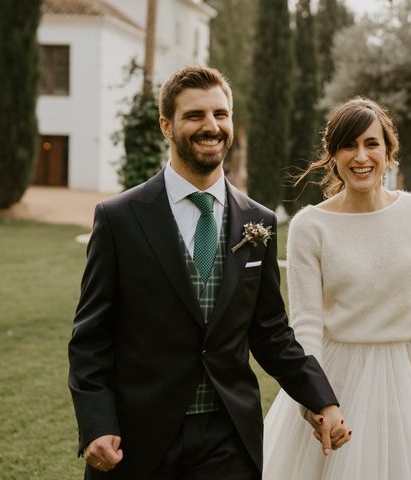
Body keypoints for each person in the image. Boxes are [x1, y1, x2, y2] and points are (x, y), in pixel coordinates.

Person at [68, 66, 349, 480]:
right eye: (195, 115)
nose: (211, 126)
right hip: (139, 437)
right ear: (167, 124)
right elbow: (91, 338)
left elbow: (270, 332)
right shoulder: (119, 218)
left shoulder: (260, 221)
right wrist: (96, 423)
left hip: (227, 436)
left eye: (221, 114)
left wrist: (321, 400)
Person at [263, 97, 411, 479]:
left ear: (389, 151)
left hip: (408, 375)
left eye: (371, 143)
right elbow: (306, 326)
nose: (361, 156)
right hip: (337, 378)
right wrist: (314, 401)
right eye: (348, 145)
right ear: (333, 155)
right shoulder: (310, 227)